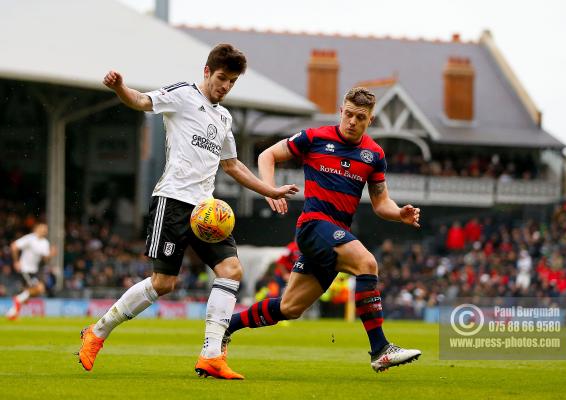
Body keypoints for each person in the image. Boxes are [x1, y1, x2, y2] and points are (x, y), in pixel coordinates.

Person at [77, 44, 298, 380]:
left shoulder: (224, 118)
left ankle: (211, 355)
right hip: (173, 201)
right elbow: (140, 101)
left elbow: (232, 165)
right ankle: (97, 332)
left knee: (231, 270)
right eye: (222, 78)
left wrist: (269, 190)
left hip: (207, 211)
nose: (225, 86)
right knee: (163, 283)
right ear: (207, 71)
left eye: (232, 82)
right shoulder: (182, 94)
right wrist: (120, 87)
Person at [223, 87, 422, 374]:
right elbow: (268, 155)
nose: (352, 121)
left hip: (334, 235)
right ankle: (380, 349)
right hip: (313, 226)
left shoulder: (374, 155)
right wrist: (270, 190)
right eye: (349, 114)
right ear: (341, 112)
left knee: (290, 308)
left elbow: (381, 203)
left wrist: (399, 213)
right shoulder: (314, 138)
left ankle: (226, 326)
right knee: (367, 263)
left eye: (360, 117)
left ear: (370, 121)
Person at [5, 223, 56, 320]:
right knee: (39, 289)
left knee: (31, 292)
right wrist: (16, 262)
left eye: (46, 229)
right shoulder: (29, 238)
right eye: (42, 228)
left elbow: (45, 259)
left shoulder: (45, 242)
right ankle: (17, 301)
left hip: (34, 270)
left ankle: (12, 312)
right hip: (25, 269)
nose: (44, 230)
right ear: (36, 229)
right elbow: (13, 246)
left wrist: (51, 254)